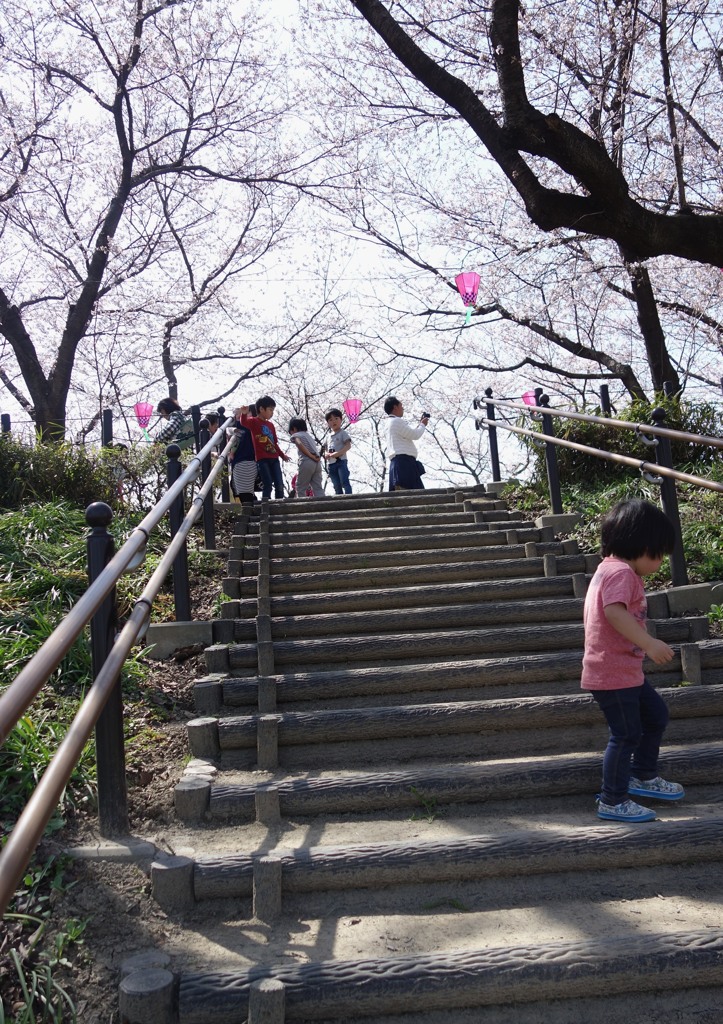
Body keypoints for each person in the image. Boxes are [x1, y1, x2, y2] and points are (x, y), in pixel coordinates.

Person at [582, 498, 684, 823]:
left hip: (625, 671)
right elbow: (614, 612)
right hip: (613, 674)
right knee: (625, 735)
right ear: (640, 545)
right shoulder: (621, 572)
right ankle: (612, 800)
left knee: (655, 716)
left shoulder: (610, 569)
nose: (659, 563)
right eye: (658, 555)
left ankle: (642, 774)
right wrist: (650, 643)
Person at [239, 396, 291, 499]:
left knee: (279, 484)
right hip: (262, 459)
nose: (272, 413)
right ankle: (266, 506)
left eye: (273, 410)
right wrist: (244, 413)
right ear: (261, 409)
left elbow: (275, 443)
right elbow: (243, 422)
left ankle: (279, 506)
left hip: (274, 458)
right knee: (267, 485)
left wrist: (282, 455)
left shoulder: (271, 425)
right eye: (270, 410)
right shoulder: (254, 421)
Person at [384, 395, 429, 490]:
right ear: (395, 407)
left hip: (397, 463)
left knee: (401, 496)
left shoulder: (388, 423)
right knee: (415, 496)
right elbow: (415, 435)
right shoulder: (397, 421)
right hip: (404, 464)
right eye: (401, 406)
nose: (403, 408)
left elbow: (409, 434)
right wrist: (422, 425)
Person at [288, 417, 324, 498]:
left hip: (307, 461)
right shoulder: (309, 436)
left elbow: (299, 443)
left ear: (293, 429)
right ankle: (323, 504)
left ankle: (302, 506)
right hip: (317, 463)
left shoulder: (296, 435)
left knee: (300, 487)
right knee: (317, 487)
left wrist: (310, 456)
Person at [229, 404, 258, 504]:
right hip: (245, 462)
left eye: (246, 412)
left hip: (244, 462)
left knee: (245, 494)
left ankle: (250, 514)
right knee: (245, 493)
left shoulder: (249, 425)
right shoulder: (249, 427)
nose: (242, 415)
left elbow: (229, 428)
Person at [324, 408, 353, 494]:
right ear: (328, 423)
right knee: (336, 485)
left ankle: (349, 499)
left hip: (341, 461)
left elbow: (348, 445)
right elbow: (325, 448)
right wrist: (326, 454)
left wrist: (338, 453)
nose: (334, 421)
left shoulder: (342, 433)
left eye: (336, 418)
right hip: (331, 464)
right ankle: (339, 501)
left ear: (341, 419)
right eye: (330, 420)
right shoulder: (328, 436)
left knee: (344, 482)